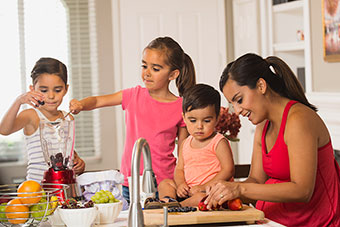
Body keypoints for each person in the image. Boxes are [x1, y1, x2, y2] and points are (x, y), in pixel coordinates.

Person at [205, 53, 340, 226]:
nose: (237, 110)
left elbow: (302, 190)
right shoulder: (263, 125)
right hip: (270, 220)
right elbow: (256, 180)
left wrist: (239, 188)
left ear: (261, 85)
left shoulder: (299, 119)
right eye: (233, 104)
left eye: (239, 100)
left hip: (314, 222)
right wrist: (222, 190)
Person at [69, 36, 196, 203]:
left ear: (173, 74)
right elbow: (99, 100)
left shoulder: (180, 107)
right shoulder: (133, 96)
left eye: (156, 69)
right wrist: (81, 104)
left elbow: (184, 153)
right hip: (131, 183)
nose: (147, 73)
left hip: (164, 184)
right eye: (144, 66)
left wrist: (181, 183)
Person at [144, 84, 234, 208]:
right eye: (193, 120)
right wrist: (181, 184)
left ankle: (177, 206)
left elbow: (228, 170)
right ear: (184, 118)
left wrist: (203, 187)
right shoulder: (185, 143)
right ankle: (167, 201)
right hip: (187, 191)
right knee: (165, 183)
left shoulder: (218, 142)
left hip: (208, 191)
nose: (199, 126)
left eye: (206, 121)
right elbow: (179, 169)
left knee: (201, 198)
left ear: (217, 118)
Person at [0, 57, 86, 182]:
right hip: (36, 189)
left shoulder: (68, 117)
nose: (51, 96)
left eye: (58, 90)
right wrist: (18, 101)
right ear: (32, 89)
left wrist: (78, 161)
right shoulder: (31, 116)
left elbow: (65, 148)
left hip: (64, 186)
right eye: (44, 90)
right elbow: (4, 130)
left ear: (66, 89)